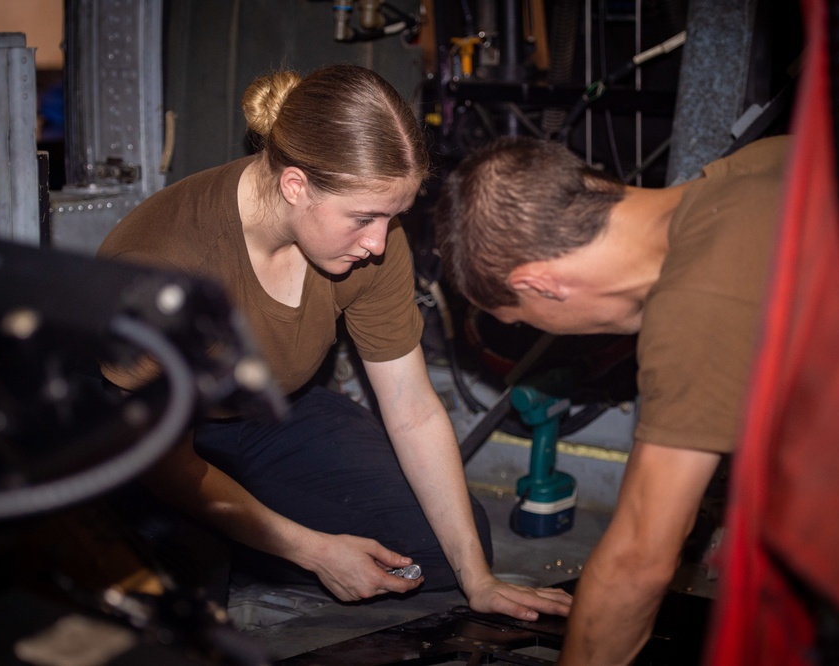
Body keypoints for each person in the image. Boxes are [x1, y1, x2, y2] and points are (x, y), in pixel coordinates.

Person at [96, 64, 572, 620]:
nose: (378, 242)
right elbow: (166, 462)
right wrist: (314, 550)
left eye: (393, 216)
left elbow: (412, 407)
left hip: (269, 408)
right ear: (295, 185)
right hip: (147, 440)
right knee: (186, 580)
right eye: (364, 218)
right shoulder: (165, 264)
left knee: (435, 553)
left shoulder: (373, 236)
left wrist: (479, 579)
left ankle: (245, 535)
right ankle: (227, 541)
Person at [434, 134, 790, 664]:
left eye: (524, 322)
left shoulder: (698, 304)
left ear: (543, 285)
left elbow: (638, 564)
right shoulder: (758, 163)